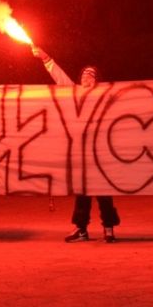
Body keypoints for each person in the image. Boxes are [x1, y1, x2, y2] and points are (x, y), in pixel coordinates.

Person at [36, 52, 121, 244]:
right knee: (82, 192)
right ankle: (81, 229)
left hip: (100, 152)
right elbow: (60, 77)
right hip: (82, 153)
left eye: (90, 75)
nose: (86, 77)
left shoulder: (105, 96)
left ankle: (109, 229)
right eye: (83, 75)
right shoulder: (73, 93)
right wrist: (46, 59)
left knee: (103, 192)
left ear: (97, 80)